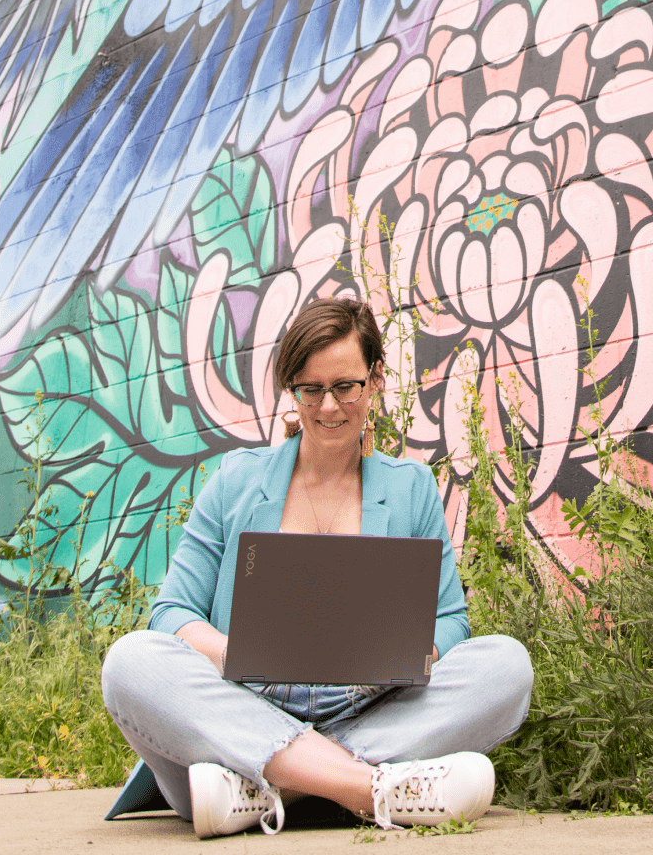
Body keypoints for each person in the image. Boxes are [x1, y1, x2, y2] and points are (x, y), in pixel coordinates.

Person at [101, 298, 533, 837]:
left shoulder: (411, 489)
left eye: (345, 386)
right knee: (129, 663)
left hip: (369, 705)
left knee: (506, 667)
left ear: (375, 380)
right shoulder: (237, 479)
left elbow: (451, 620)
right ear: (293, 391)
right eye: (310, 389)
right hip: (245, 700)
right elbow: (171, 613)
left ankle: (262, 789)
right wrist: (243, 655)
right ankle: (364, 787)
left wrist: (409, 653)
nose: (328, 407)